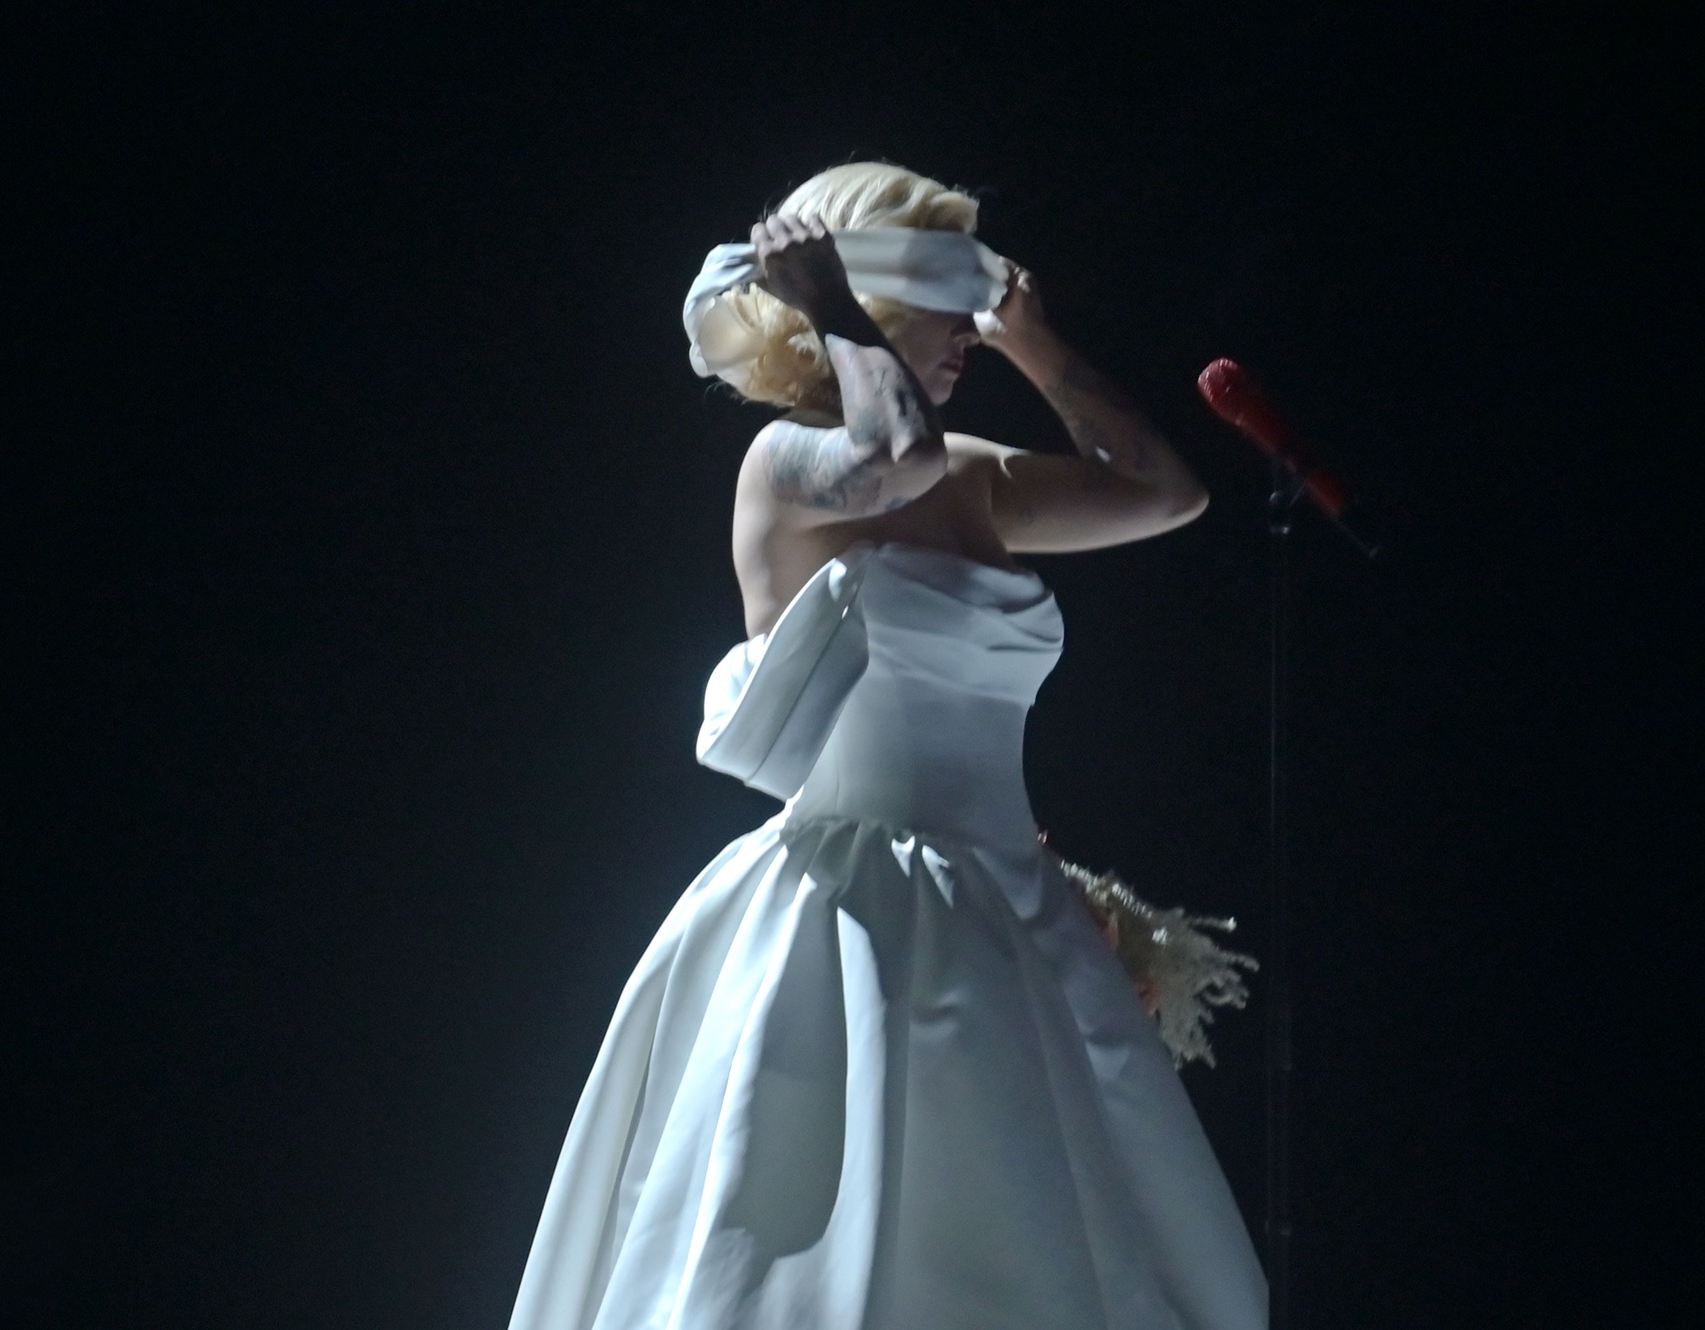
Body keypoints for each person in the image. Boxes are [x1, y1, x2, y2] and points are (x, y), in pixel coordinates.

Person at [508, 163, 1269, 1330]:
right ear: (857, 302)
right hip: (850, 910)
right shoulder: (785, 466)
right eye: (937, 300)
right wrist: (827, 300)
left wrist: (1033, 345)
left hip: (1007, 910)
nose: (962, 328)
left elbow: (1163, 494)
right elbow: (894, 455)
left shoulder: (975, 477)